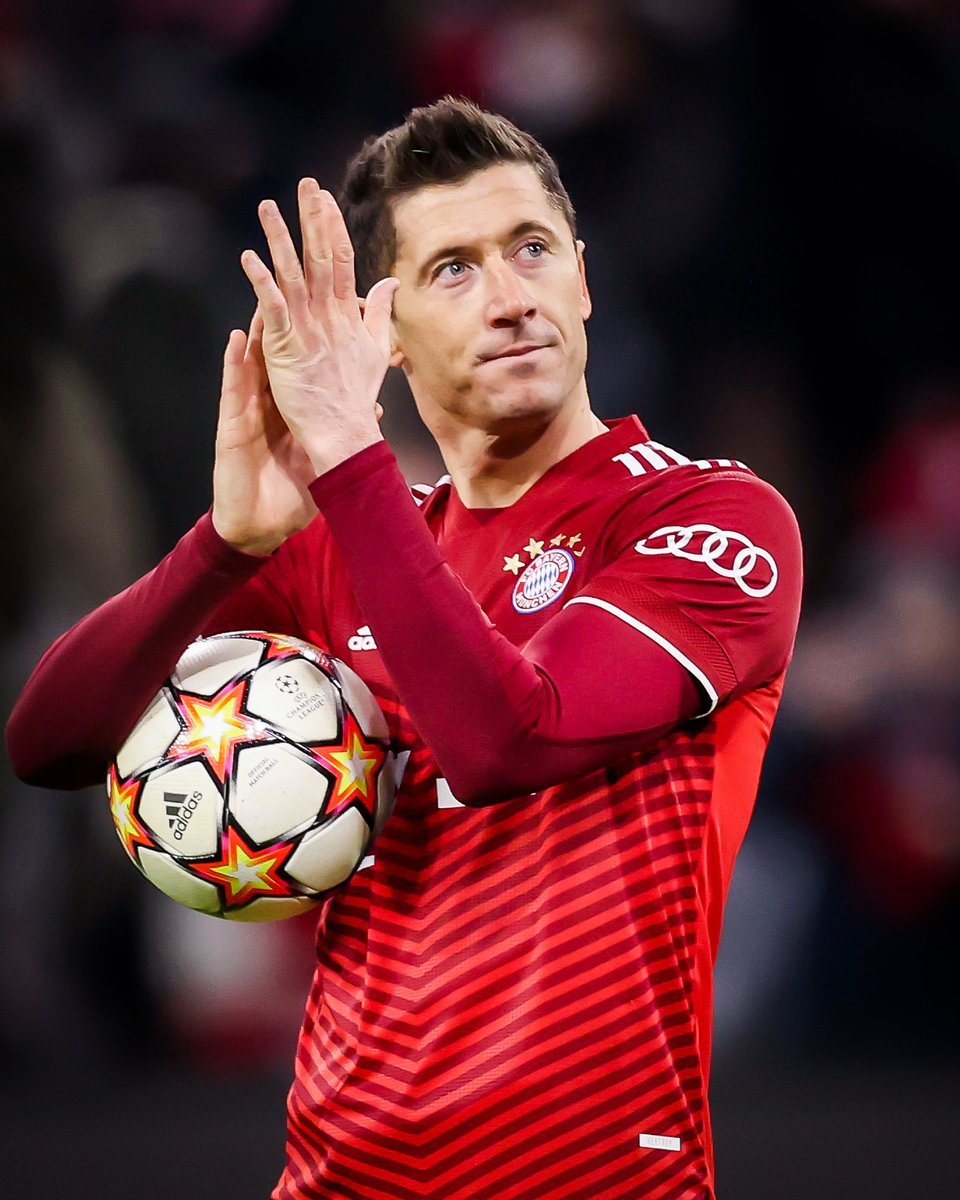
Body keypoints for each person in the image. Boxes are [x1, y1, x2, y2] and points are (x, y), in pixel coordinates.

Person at [6, 98, 802, 1199]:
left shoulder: (708, 519)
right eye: (454, 270)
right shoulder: (348, 545)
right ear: (380, 333)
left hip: (590, 1179)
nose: (513, 297)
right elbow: (48, 742)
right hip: (340, 1172)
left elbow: (508, 738)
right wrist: (224, 546)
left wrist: (346, 453)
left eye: (532, 250)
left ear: (583, 279)